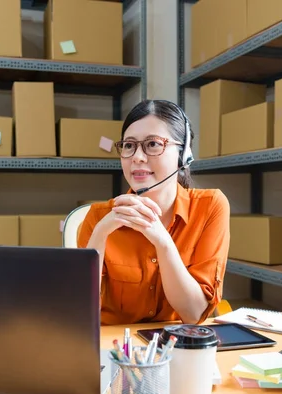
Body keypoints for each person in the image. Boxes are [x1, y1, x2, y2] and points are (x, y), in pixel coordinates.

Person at [77, 99, 231, 326]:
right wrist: (100, 234)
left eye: (152, 144)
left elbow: (194, 314)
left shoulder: (211, 206)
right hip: (117, 348)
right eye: (129, 145)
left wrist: (163, 242)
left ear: (183, 155)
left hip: (179, 348)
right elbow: (78, 314)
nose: (137, 157)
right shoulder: (98, 217)